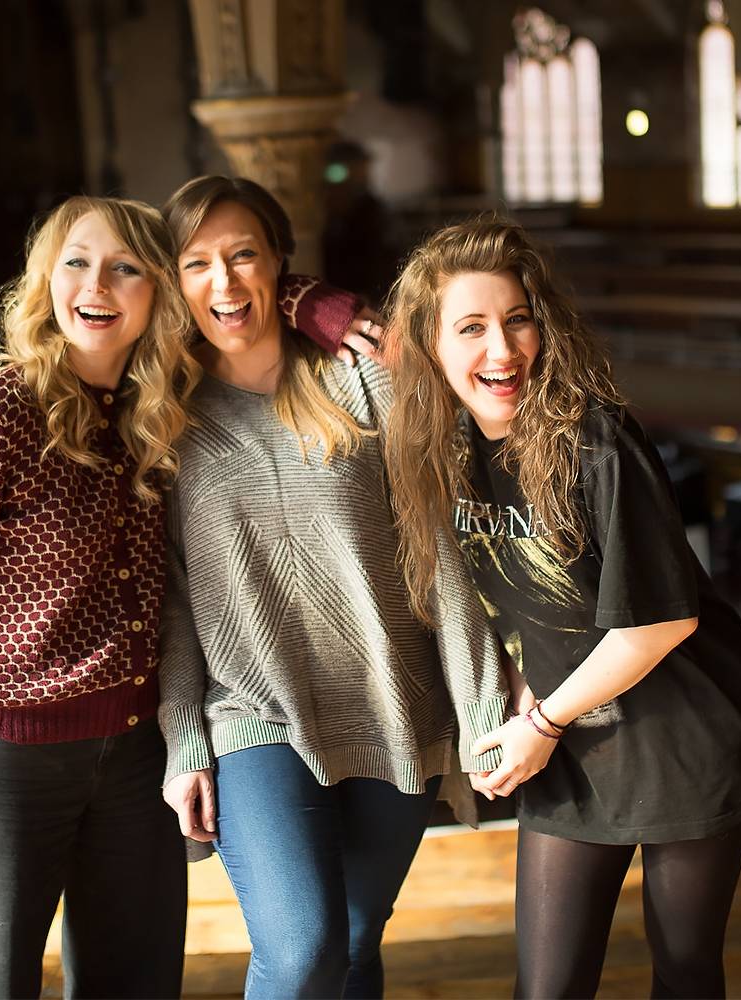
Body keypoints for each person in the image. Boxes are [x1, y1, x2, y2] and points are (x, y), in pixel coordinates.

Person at [380, 217, 741, 999]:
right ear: (430, 347)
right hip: (575, 740)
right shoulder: (447, 450)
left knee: (682, 974)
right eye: (470, 328)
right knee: (546, 988)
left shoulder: (594, 442)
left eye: (517, 320)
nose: (502, 350)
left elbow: (662, 621)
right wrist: (517, 695)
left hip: (685, 734)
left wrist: (540, 724)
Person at [156, 176, 510, 1000]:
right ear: (175, 280)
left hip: (393, 704)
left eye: (244, 254)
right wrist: (183, 741)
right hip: (255, 713)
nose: (224, 281)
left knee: (353, 941)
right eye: (197, 262)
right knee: (304, 946)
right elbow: (169, 596)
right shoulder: (163, 414)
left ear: (280, 263)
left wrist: (483, 704)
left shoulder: (359, 377)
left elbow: (438, 549)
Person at [0, 195, 199, 1000]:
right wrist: (12, 657)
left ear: (156, 291)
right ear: (46, 281)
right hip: (12, 760)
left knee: (136, 982)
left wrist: (314, 301)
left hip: (137, 754)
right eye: (78, 262)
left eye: (127, 267)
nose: (99, 284)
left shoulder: (155, 410)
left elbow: (250, 288)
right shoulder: (0, 414)